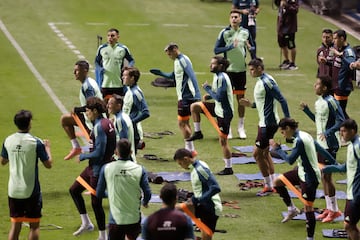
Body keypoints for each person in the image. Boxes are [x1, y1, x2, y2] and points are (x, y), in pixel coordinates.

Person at [270, 118, 337, 240]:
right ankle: (292, 209)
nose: (283, 134)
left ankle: (310, 238)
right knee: (277, 182)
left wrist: (278, 150)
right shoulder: (305, 135)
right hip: (301, 171)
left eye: (283, 132)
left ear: (288, 128)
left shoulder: (300, 141)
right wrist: (333, 162)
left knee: (308, 207)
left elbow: (290, 160)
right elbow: (320, 149)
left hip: (309, 178)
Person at [239, 58, 290, 196]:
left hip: (268, 124)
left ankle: (268, 186)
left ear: (260, 68)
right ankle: (272, 183)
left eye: (253, 69)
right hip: (264, 123)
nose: (251, 72)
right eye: (249, 70)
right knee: (265, 153)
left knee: (257, 154)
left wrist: (288, 120)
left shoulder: (267, 82)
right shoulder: (261, 81)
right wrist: (250, 105)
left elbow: (282, 99)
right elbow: (261, 103)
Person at [69, 97, 116, 240]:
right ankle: (86, 223)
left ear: (95, 111)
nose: (87, 113)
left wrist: (84, 156)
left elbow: (99, 153)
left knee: (96, 203)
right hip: (95, 166)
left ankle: (103, 235)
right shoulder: (106, 121)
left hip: (99, 168)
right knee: (74, 190)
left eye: (88, 111)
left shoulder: (99, 127)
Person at [1, 110, 53, 240]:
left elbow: (3, 161)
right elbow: (48, 164)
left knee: (15, 225)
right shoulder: (36, 142)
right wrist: (48, 148)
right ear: (29, 123)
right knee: (34, 226)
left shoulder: (8, 140)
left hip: (13, 191)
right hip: (31, 191)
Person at [300, 76, 345, 222]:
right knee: (323, 176)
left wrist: (329, 132)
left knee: (327, 176)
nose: (315, 86)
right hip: (321, 144)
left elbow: (341, 120)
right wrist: (307, 111)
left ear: (325, 87)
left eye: (318, 84)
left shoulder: (331, 101)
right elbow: (319, 121)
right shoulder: (319, 102)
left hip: (330, 144)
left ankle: (335, 210)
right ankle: (329, 208)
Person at [150, 43, 201, 154]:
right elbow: (174, 75)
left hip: (186, 96)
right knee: (185, 122)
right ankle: (190, 148)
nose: (169, 56)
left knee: (182, 123)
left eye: (169, 54)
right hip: (185, 96)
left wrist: (197, 94)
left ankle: (189, 149)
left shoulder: (182, 60)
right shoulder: (178, 60)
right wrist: (162, 74)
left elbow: (191, 75)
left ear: (175, 50)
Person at [187, 56, 234, 175]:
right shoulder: (217, 76)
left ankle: (228, 168)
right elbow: (217, 94)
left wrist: (207, 89)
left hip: (224, 113)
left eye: (213, 64)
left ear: (221, 66)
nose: (210, 66)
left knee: (223, 141)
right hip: (218, 108)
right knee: (195, 107)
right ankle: (198, 133)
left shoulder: (222, 78)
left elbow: (219, 97)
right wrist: (209, 96)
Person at [96, 139, 151, 240]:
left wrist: (111, 194)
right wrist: (145, 202)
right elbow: (147, 192)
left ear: (116, 152)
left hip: (116, 221)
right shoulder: (140, 169)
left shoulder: (106, 168)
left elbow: (99, 193)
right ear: (131, 152)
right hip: (134, 220)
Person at [214, 9, 253, 139]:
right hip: (229, 71)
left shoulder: (245, 32)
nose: (234, 19)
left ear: (240, 19)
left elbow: (252, 47)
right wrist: (229, 47)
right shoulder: (224, 33)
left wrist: (251, 49)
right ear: (229, 19)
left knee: (241, 100)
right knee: (228, 100)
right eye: (232, 17)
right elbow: (216, 49)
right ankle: (228, 127)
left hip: (241, 71)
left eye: (236, 17)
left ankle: (241, 127)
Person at [322, 119, 360, 240]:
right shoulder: (351, 145)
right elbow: (345, 167)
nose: (341, 134)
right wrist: (327, 169)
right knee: (349, 225)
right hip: (352, 192)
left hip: (356, 193)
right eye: (340, 131)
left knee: (349, 226)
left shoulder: (358, 146)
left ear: (352, 131)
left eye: (344, 131)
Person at [173, 148, 222, 240]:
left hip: (210, 207)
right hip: (203, 205)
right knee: (173, 210)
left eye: (180, 163)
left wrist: (199, 200)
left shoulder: (200, 169)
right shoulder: (196, 166)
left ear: (186, 159)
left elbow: (215, 187)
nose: (181, 166)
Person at [61, 60, 103, 160]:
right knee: (65, 119)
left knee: (97, 150)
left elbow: (93, 105)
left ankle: (83, 151)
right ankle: (76, 147)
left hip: (95, 123)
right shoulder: (89, 82)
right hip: (89, 117)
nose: (74, 73)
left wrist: (77, 109)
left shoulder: (87, 87)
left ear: (85, 71)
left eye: (77, 70)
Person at [95, 28, 135, 97]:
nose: (110, 38)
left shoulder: (123, 48)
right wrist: (100, 69)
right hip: (105, 84)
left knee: (118, 105)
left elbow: (131, 60)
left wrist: (129, 67)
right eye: (108, 36)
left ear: (118, 37)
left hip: (119, 84)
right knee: (105, 106)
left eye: (112, 36)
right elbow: (96, 62)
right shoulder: (102, 48)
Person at [122, 66, 150, 153]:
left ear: (132, 78)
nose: (122, 77)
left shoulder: (135, 93)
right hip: (127, 129)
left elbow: (146, 112)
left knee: (130, 158)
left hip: (133, 132)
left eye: (125, 75)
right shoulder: (129, 90)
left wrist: (131, 122)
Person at [331, 29, 356, 119]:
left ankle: (351, 130)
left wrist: (340, 55)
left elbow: (351, 65)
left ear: (342, 38)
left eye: (335, 39)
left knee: (341, 112)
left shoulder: (348, 52)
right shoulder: (338, 49)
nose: (333, 41)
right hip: (336, 85)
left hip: (342, 86)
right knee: (338, 111)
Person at [107, 94, 136, 161]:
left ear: (118, 105)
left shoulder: (120, 120)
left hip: (124, 159)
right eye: (108, 103)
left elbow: (124, 143)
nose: (108, 106)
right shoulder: (123, 116)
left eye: (111, 104)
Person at [276, 0, 299, 70]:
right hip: (281, 27)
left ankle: (293, 63)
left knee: (291, 45)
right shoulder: (281, 1)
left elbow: (295, 10)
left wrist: (286, 5)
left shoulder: (293, 1)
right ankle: (287, 61)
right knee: (282, 45)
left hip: (289, 28)